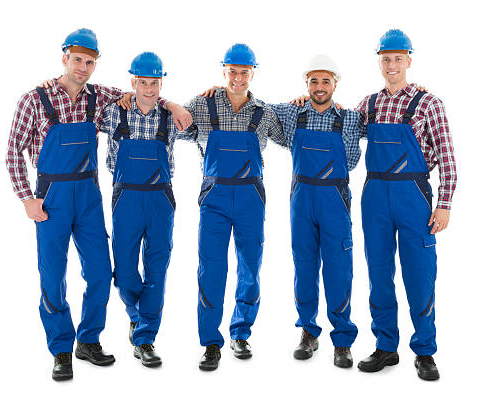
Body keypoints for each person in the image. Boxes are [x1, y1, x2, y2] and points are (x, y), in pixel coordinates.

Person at [6, 28, 119, 381]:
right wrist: (27, 199)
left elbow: (141, 95)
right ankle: (60, 349)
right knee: (52, 277)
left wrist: (172, 104)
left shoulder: (99, 97)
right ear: (64, 58)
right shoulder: (34, 99)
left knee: (101, 273)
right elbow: (13, 152)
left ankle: (87, 340)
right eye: (78, 60)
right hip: (50, 200)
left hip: (88, 198)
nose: (83, 67)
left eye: (90, 62)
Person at [355, 29, 457, 381]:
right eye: (386, 58)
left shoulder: (430, 103)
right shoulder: (368, 104)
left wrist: (444, 204)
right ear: (379, 62)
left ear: (409, 61)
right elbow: (337, 127)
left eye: (398, 58)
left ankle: (425, 351)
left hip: (413, 196)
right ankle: (386, 346)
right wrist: (303, 101)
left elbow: (446, 156)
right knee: (379, 273)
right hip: (375, 197)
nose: (392, 64)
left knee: (419, 274)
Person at [183, 44, 284, 371]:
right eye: (233, 71)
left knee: (250, 266)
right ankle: (211, 343)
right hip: (214, 197)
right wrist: (167, 102)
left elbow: (294, 132)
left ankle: (240, 332)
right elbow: (171, 120)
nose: (238, 78)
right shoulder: (202, 104)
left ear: (253, 72)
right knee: (211, 268)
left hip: (251, 199)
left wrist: (302, 102)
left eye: (244, 72)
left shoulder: (265, 113)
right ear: (223, 70)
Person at [266, 55, 365, 368]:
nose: (319, 87)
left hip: (335, 200)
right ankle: (308, 332)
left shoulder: (351, 118)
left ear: (336, 83)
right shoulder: (292, 112)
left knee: (339, 269)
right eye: (313, 81)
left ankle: (343, 341)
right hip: (302, 201)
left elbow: (352, 160)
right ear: (305, 84)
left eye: (325, 81)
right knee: (304, 267)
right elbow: (258, 110)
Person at [100, 52, 193, 368]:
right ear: (133, 82)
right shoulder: (113, 113)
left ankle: (146, 339)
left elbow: (198, 120)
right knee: (124, 271)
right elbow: (80, 99)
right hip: (125, 199)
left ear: (161, 82)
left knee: (157, 269)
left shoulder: (172, 118)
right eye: (143, 82)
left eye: (155, 83)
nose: (149, 89)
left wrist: (173, 104)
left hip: (160, 201)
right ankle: (135, 314)